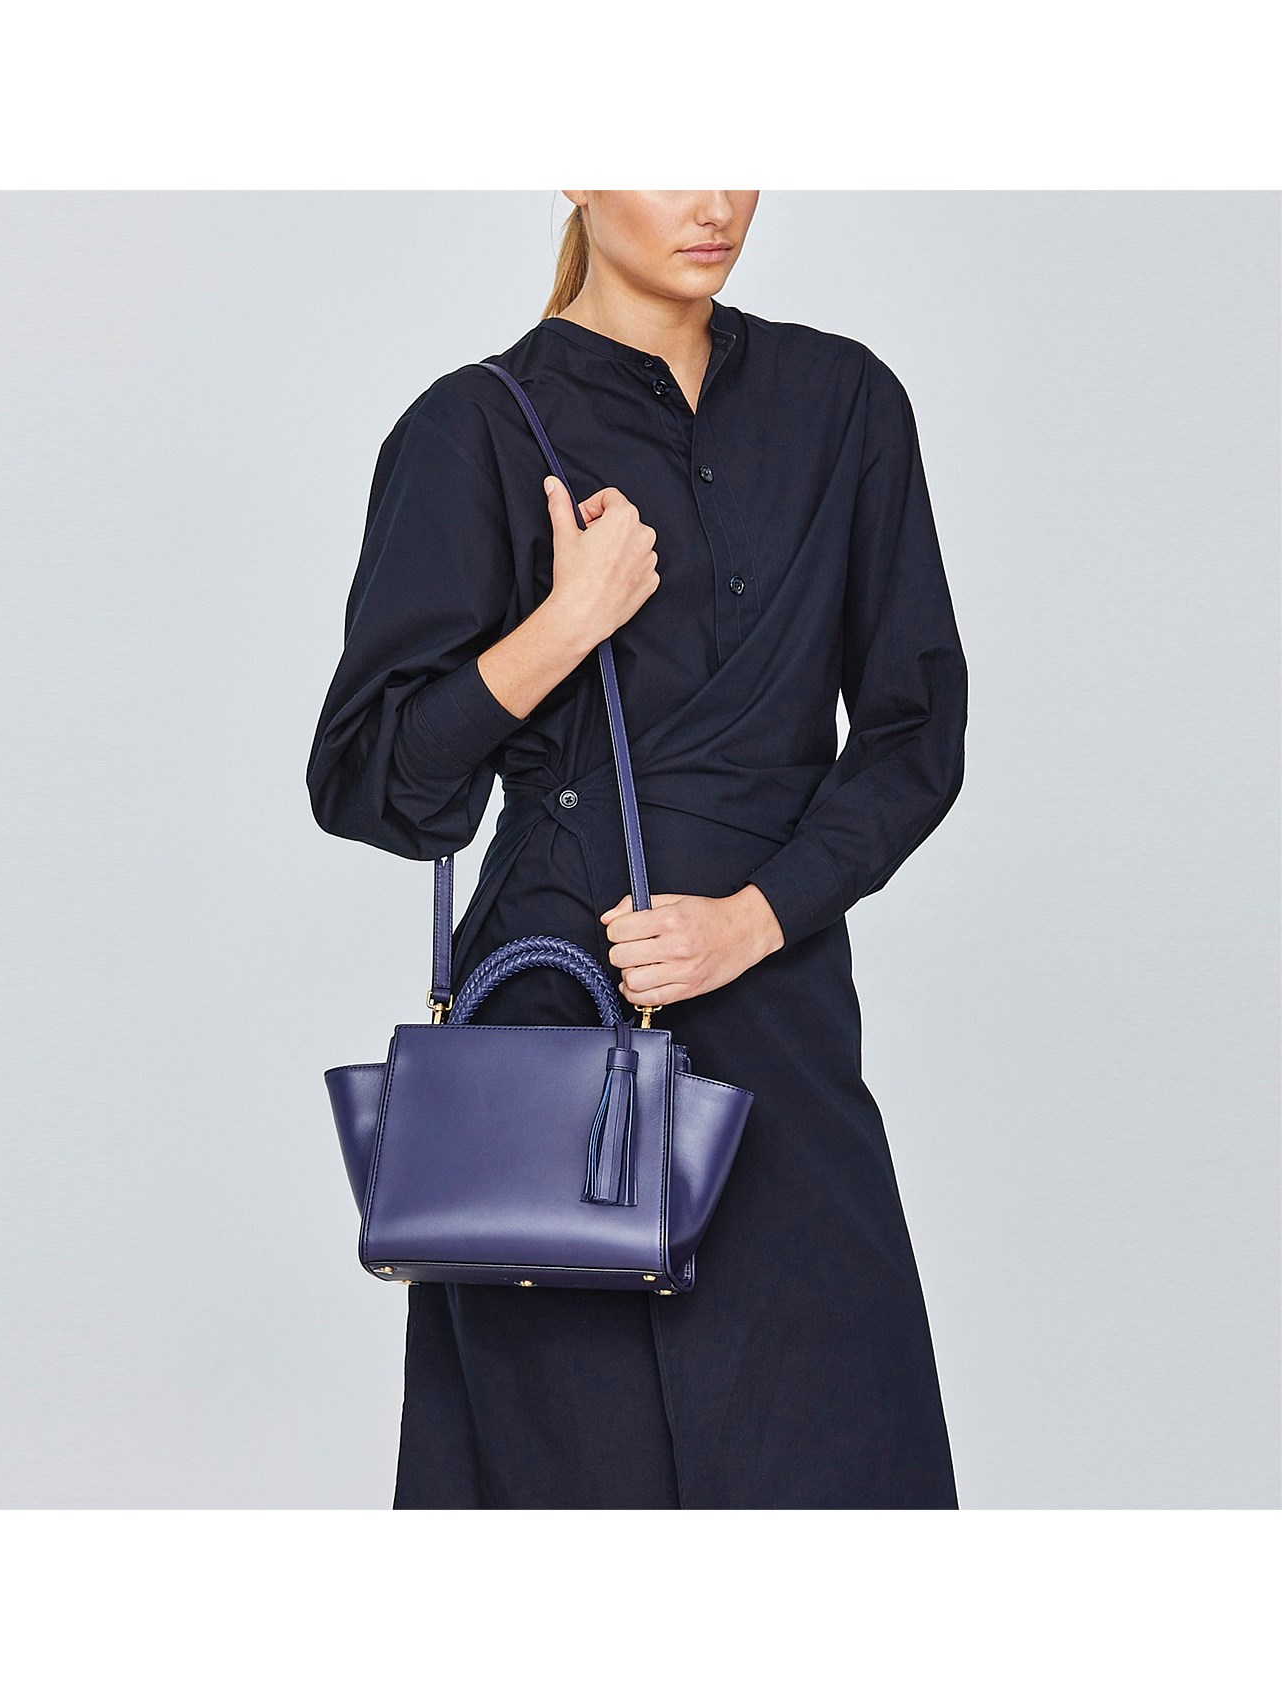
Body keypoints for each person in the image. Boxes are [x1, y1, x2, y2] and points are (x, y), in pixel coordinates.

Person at [306, 190, 969, 1509]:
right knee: (573, 1483)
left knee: (841, 1463)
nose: (714, 201)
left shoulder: (844, 403)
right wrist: (567, 623)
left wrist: (755, 918)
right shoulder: (474, 427)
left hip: (778, 1014)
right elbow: (371, 784)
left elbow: (914, 732)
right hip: (555, 1022)